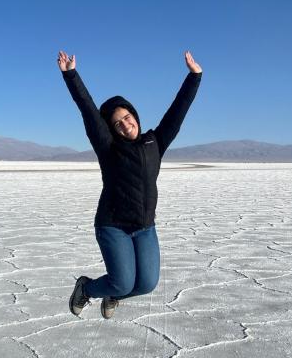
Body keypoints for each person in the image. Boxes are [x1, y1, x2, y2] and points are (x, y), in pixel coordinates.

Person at [57, 49, 203, 318]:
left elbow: (177, 112)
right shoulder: (108, 148)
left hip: (145, 227)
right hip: (113, 225)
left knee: (146, 284)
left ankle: (112, 295)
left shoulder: (155, 142)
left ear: (135, 115)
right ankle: (87, 289)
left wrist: (194, 77)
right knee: (122, 281)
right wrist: (70, 75)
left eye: (127, 118)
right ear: (111, 130)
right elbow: (88, 110)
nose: (125, 125)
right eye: (117, 124)